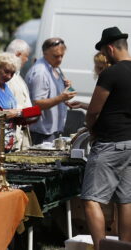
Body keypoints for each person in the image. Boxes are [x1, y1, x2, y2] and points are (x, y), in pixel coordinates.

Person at [82, 26, 131, 250]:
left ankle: (101, 248)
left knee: (91, 199)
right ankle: (125, 246)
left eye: (104, 50)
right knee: (126, 199)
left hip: (109, 143)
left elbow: (93, 111)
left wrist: (90, 128)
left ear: (110, 48)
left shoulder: (110, 73)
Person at [25, 37, 76, 145]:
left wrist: (66, 88)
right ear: (45, 53)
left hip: (50, 131)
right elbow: (37, 104)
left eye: (62, 55)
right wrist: (62, 97)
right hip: (41, 133)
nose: (60, 59)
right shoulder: (40, 72)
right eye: (56, 56)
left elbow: (53, 94)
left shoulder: (54, 67)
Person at [6, 39, 33, 150]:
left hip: (21, 134)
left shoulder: (17, 76)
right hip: (11, 135)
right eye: (25, 56)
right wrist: (27, 111)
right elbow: (6, 107)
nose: (26, 60)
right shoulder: (5, 77)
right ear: (17, 54)